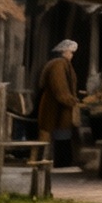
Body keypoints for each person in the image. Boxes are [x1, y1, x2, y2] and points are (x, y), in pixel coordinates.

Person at [36, 39, 82, 172]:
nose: (72, 55)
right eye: (71, 52)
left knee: (63, 134)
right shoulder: (58, 65)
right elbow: (59, 87)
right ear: (64, 51)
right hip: (55, 107)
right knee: (59, 133)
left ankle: (63, 162)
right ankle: (61, 163)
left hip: (61, 107)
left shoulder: (63, 64)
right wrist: (71, 100)